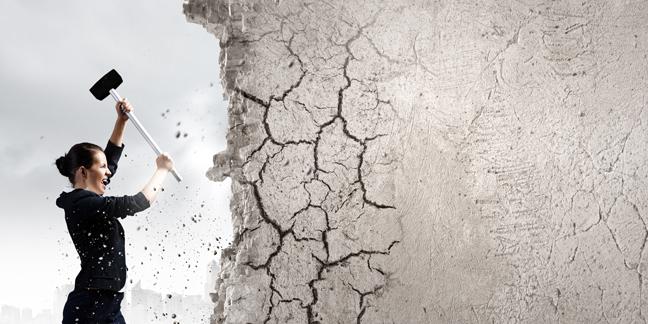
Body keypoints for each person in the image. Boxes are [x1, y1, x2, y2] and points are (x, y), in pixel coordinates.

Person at [55, 98, 174, 324]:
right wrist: (162, 170)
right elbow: (137, 203)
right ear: (83, 171)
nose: (108, 172)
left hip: (106, 303)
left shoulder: (85, 198)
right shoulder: (81, 203)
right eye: (101, 168)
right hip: (91, 307)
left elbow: (109, 165)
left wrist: (121, 121)